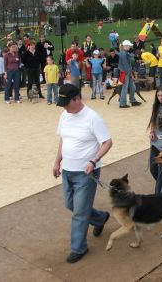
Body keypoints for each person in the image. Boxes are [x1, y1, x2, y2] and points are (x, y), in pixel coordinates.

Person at [53, 84, 113, 263]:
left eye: (66, 103)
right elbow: (63, 139)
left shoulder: (93, 118)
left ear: (77, 99)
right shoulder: (64, 115)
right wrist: (57, 161)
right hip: (67, 170)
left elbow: (107, 142)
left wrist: (93, 161)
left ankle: (78, 248)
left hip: (86, 172)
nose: (64, 107)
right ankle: (100, 218)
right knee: (70, 204)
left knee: (79, 212)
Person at [118, 40, 142, 108]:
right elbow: (126, 66)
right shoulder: (123, 54)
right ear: (125, 46)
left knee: (133, 87)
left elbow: (130, 58)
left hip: (127, 72)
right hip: (126, 73)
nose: (130, 47)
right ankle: (122, 103)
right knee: (125, 88)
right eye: (129, 46)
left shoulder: (124, 52)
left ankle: (133, 100)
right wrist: (131, 74)